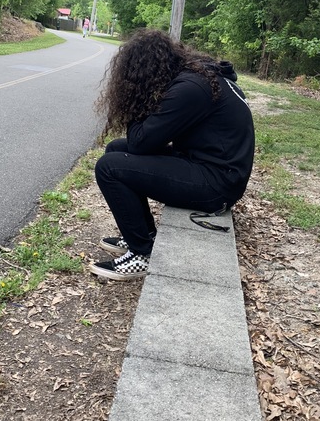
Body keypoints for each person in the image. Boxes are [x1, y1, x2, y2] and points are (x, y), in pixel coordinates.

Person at [90, 28, 255, 281]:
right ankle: (144, 235)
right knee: (115, 149)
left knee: (110, 167)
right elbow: (144, 141)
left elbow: (140, 143)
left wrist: (138, 99)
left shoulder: (191, 88)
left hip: (217, 185)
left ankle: (142, 254)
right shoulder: (197, 77)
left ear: (145, 72)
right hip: (210, 167)